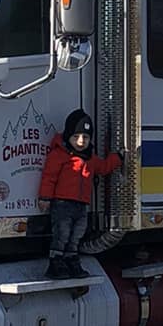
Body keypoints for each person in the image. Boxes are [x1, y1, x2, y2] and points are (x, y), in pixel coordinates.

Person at [36, 110, 123, 277]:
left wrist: (117, 157)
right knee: (62, 233)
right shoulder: (59, 155)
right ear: (68, 136)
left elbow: (104, 167)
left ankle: (72, 261)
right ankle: (56, 264)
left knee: (76, 235)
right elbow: (49, 177)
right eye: (76, 137)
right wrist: (45, 198)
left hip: (81, 206)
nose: (81, 141)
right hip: (62, 204)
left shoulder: (90, 158)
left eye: (86, 137)